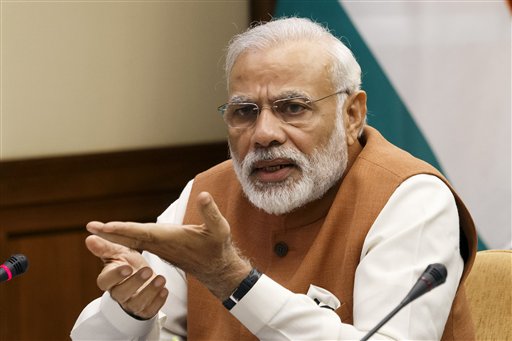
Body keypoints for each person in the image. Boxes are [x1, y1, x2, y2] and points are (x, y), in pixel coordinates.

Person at [71, 17, 477, 341]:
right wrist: (128, 311)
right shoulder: (206, 194)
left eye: (292, 108)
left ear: (351, 115)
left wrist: (233, 279)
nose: (264, 133)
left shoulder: (411, 198)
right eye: (245, 112)